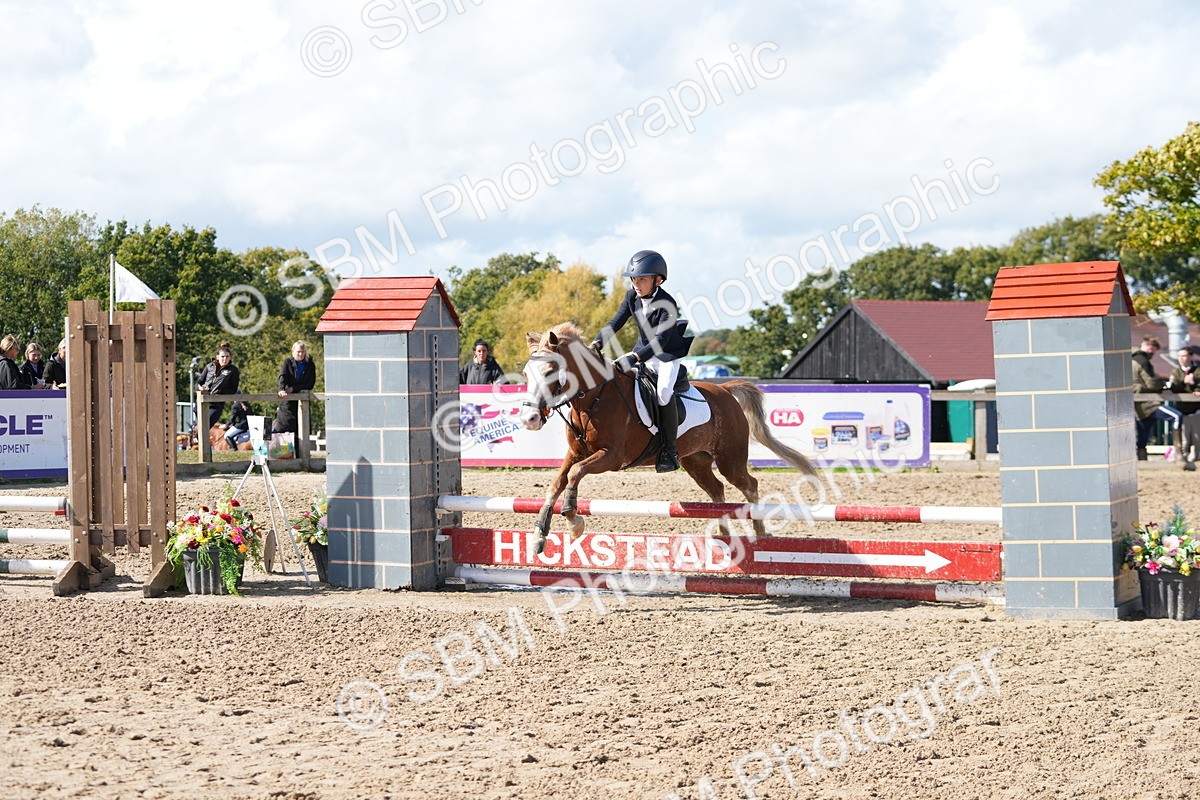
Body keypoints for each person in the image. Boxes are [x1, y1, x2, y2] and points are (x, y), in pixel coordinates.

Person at [590, 249, 693, 472]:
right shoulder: (631, 297)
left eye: (642, 279)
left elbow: (660, 341)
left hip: (665, 356)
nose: (636, 284)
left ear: (658, 280)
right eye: (634, 279)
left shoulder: (668, 305)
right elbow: (615, 323)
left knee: (664, 393)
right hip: (642, 352)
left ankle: (670, 450)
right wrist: (596, 344)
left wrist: (634, 357)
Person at [1132, 336, 1183, 461]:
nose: (1153, 354)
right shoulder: (1143, 361)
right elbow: (1152, 384)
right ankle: (1178, 452)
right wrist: (1164, 385)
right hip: (1150, 403)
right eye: (1154, 351)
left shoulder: (1130, 359)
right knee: (1177, 416)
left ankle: (1142, 461)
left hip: (1137, 404)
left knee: (1143, 437)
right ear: (1150, 348)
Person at [1166, 346, 1200, 469]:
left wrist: (1195, 384)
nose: (1181, 358)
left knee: (1197, 438)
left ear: (1190, 357)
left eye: (1184, 355)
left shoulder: (1197, 371)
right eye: (1179, 356)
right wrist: (1184, 382)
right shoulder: (1175, 372)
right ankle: (1183, 460)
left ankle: (1195, 460)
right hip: (1181, 409)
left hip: (1196, 410)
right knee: (1184, 438)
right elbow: (1173, 388)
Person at [273, 340, 316, 434]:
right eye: (298, 352)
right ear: (293, 352)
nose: (301, 354)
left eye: (303, 352)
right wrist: (281, 389)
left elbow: (310, 384)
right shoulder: (287, 362)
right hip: (287, 404)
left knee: (302, 431)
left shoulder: (310, 365)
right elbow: (283, 376)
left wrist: (293, 388)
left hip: (302, 403)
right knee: (284, 431)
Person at [196, 343, 240, 429]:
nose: (225, 359)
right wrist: (200, 388)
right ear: (217, 357)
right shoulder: (209, 366)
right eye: (222, 356)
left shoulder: (233, 370)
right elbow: (199, 382)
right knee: (197, 428)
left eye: (227, 357)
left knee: (206, 426)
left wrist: (219, 392)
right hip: (202, 400)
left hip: (216, 404)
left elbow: (233, 389)